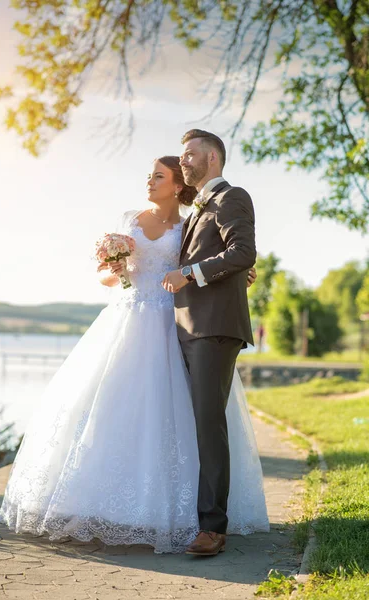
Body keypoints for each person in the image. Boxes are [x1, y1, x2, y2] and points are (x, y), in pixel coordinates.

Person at [0, 152, 269, 555]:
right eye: (149, 175)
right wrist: (116, 264)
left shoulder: (189, 223)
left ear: (177, 185)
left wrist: (237, 275)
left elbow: (209, 260)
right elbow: (106, 276)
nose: (149, 181)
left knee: (173, 413)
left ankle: (179, 513)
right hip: (126, 318)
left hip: (173, 322)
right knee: (107, 407)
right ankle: (96, 503)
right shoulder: (130, 220)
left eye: (158, 176)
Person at [162, 129, 259, 555]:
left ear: (213, 159)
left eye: (189, 154)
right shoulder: (200, 207)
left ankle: (213, 528)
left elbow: (243, 252)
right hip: (188, 327)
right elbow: (232, 261)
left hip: (213, 329)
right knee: (195, 424)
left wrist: (191, 272)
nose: (183, 161)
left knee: (208, 424)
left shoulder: (232, 196)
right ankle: (196, 516)